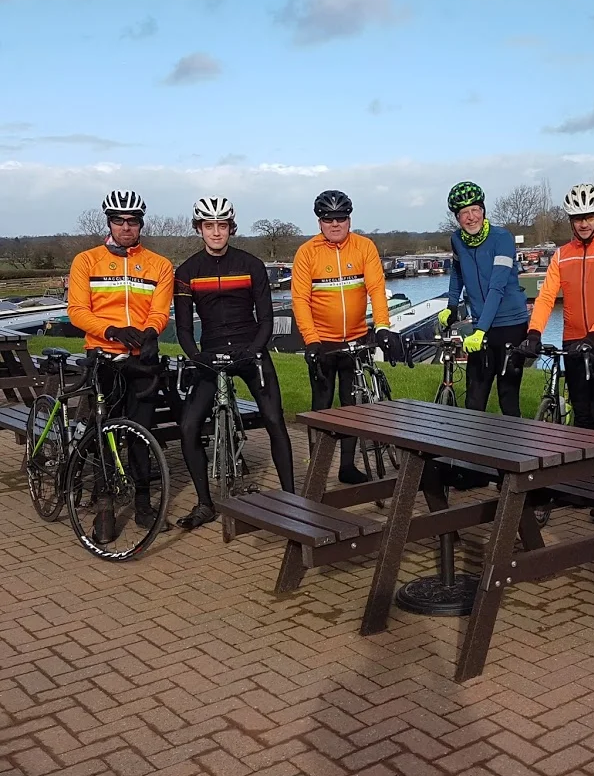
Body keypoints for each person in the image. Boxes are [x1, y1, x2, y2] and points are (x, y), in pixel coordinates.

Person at [173, 196, 295, 529]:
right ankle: (204, 504)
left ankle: (291, 499)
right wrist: (195, 356)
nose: (216, 232)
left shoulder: (251, 264)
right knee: (188, 426)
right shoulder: (186, 272)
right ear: (199, 228)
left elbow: (267, 318)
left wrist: (255, 350)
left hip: (250, 349)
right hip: (209, 354)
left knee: (274, 419)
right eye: (209, 226)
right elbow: (184, 327)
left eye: (222, 226)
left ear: (231, 228)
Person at [67, 189, 174, 541]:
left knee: (141, 434)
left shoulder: (159, 264)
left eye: (132, 221)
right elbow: (77, 311)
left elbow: (160, 310)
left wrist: (148, 333)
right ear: (109, 222)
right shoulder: (87, 260)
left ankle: (143, 504)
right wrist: (110, 329)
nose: (126, 227)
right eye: (119, 221)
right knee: (103, 435)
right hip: (104, 359)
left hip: (141, 359)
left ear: (141, 223)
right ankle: (105, 506)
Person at [291, 190, 403, 484]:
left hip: (357, 339)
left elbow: (376, 289)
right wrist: (310, 339)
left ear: (349, 219)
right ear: (320, 222)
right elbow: (300, 300)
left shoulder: (364, 247)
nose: (335, 224)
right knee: (322, 407)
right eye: (329, 219)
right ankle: (318, 471)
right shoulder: (307, 253)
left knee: (353, 406)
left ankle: (347, 467)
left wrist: (382, 326)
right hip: (322, 342)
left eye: (341, 218)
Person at [517, 182, 594, 434]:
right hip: (573, 340)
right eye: (578, 218)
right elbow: (546, 296)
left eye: (589, 217)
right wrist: (534, 332)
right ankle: (584, 474)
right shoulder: (561, 255)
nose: (584, 224)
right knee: (581, 417)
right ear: (571, 220)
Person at [439, 181, 529, 416]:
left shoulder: (502, 238)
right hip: (481, 323)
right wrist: (450, 305)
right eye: (464, 213)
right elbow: (457, 274)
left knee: (508, 398)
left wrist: (480, 331)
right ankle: (474, 452)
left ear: (483, 211)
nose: (471, 217)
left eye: (475, 210)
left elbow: (497, 288)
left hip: (510, 323)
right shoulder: (457, 240)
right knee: (474, 400)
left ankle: (514, 451)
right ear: (457, 218)